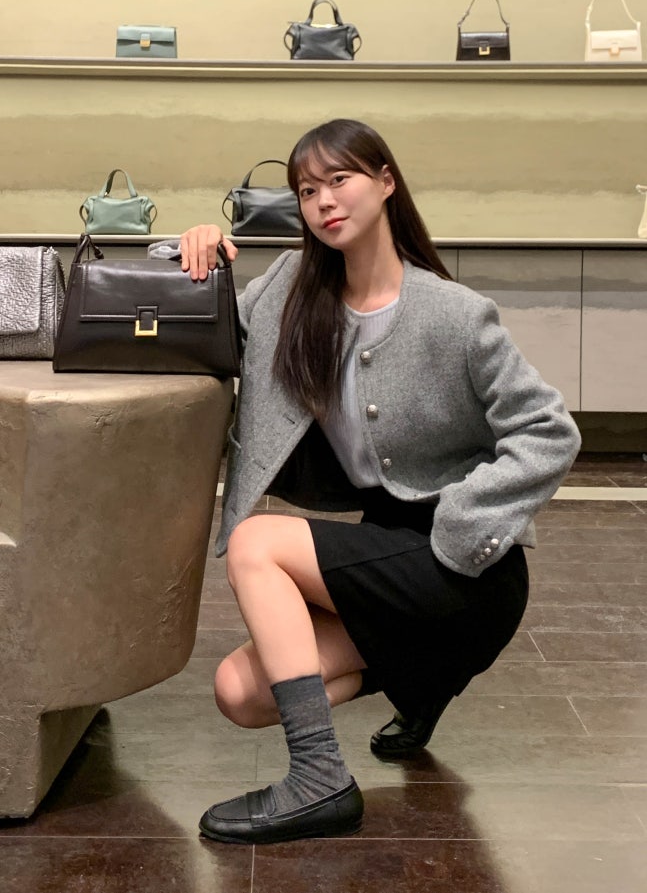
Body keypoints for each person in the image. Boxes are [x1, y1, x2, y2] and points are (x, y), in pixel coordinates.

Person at [179, 118, 581, 845]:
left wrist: (463, 519)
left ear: (386, 181)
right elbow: (215, 343)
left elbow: (550, 432)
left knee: (257, 542)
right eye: (307, 191)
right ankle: (423, 676)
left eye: (340, 180)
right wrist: (204, 257)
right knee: (238, 692)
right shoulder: (290, 289)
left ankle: (319, 779)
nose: (324, 201)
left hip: (467, 572)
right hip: (389, 554)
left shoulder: (454, 315)